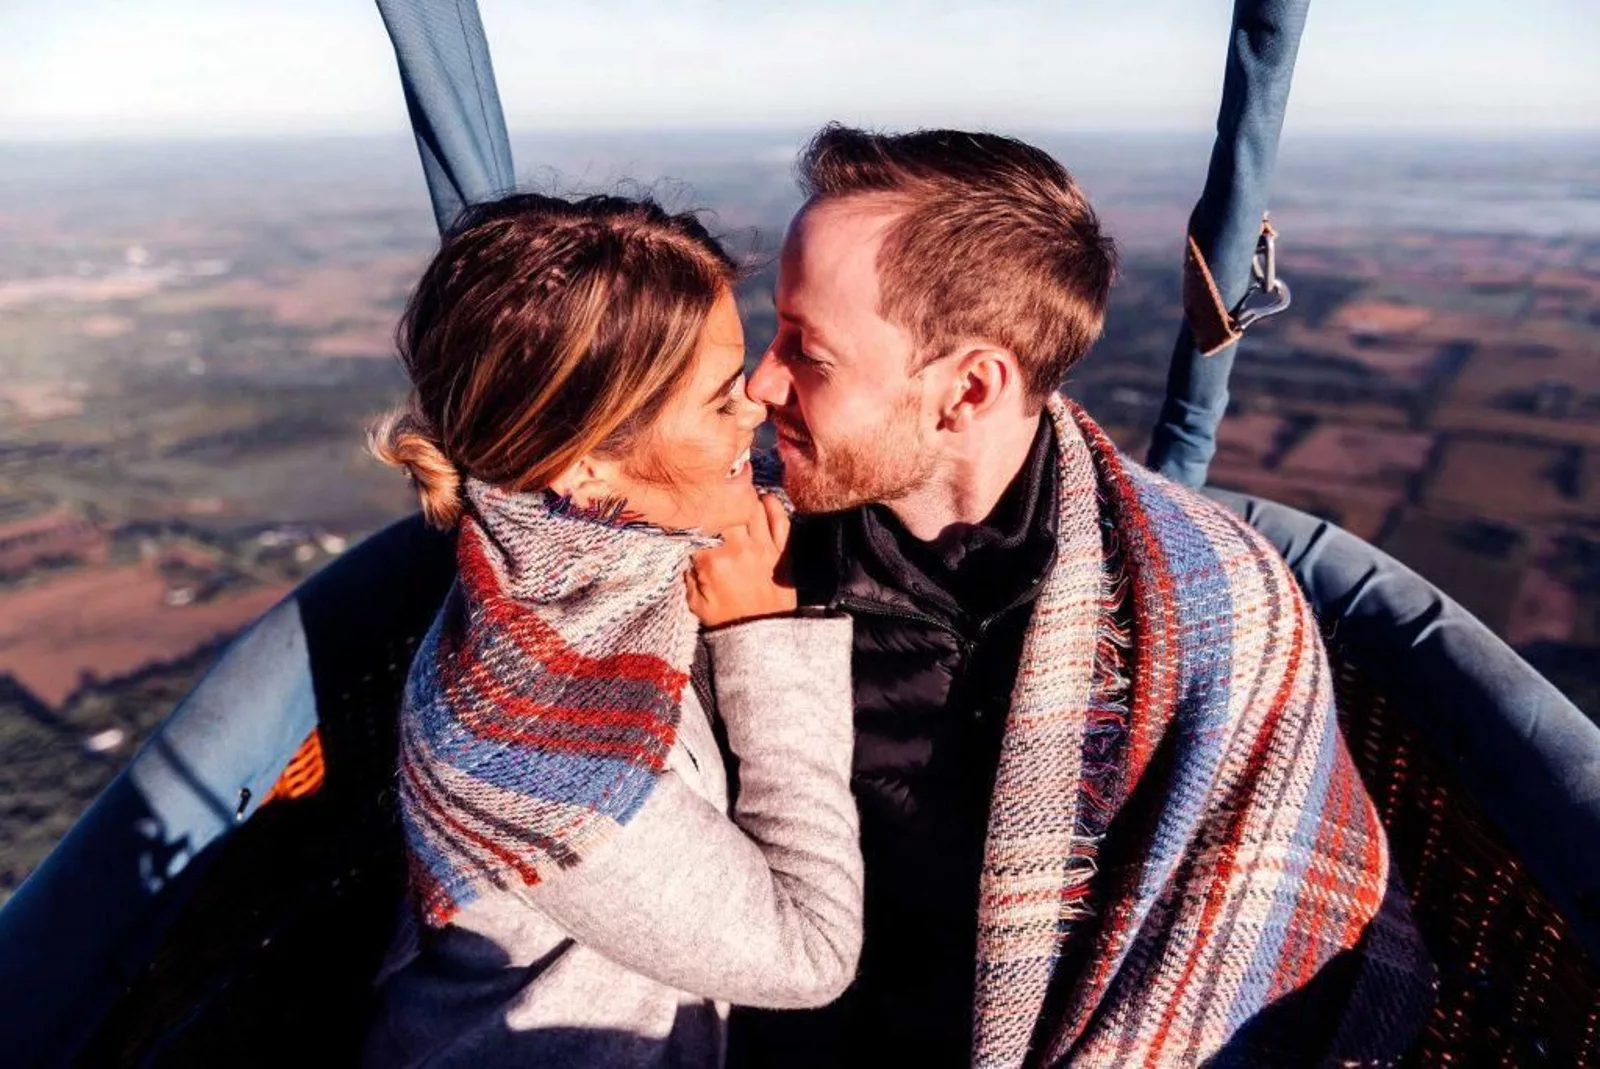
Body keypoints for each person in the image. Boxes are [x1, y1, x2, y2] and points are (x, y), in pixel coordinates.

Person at [730, 126, 1433, 1067]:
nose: (758, 380)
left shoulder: (1215, 606)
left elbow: (1235, 952)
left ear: (968, 390)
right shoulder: (738, 550)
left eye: (806, 352)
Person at [361, 192, 862, 1068]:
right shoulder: (535, 747)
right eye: (718, 402)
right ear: (585, 464)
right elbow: (808, 953)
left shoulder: (583, 560)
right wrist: (763, 638)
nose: (752, 406)